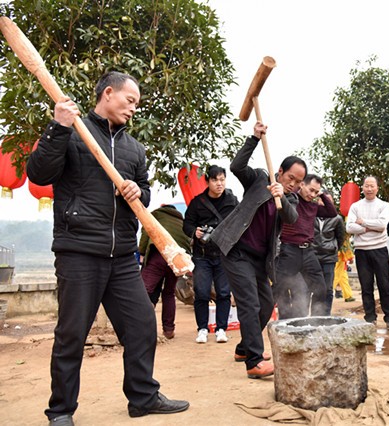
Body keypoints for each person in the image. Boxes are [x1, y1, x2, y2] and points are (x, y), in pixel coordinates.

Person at [27, 71, 189, 425]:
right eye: (130, 101)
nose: (133, 109)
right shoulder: (71, 133)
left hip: (122, 257)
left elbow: (145, 194)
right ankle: (61, 411)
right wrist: (57, 127)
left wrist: (136, 191)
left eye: (137, 105)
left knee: (143, 326)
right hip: (79, 251)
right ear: (109, 94)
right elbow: (38, 174)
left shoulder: (135, 149)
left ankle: (143, 397)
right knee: (71, 334)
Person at [211, 122, 303, 379]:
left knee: (265, 303)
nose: (294, 184)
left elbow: (292, 217)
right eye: (290, 178)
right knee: (249, 303)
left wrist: (281, 195)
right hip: (235, 249)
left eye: (298, 181)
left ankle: (243, 348)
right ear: (280, 171)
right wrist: (253, 138)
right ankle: (253, 361)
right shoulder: (260, 179)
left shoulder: (290, 199)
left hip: (259, 259)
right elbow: (236, 166)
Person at [183, 165, 238, 344]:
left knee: (223, 292)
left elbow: (240, 222)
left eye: (222, 179)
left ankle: (221, 328)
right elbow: (187, 225)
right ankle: (202, 329)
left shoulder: (232, 200)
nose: (219, 184)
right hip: (202, 254)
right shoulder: (197, 202)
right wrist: (195, 232)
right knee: (202, 292)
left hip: (224, 253)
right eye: (215, 180)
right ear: (207, 181)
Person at [274, 174, 337, 319]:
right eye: (311, 190)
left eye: (316, 192)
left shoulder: (314, 206)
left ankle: (316, 319)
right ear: (302, 184)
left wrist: (322, 196)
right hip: (289, 250)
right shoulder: (290, 200)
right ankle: (283, 320)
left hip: (308, 251)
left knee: (322, 288)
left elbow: (332, 212)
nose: (312, 194)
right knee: (280, 288)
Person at [346, 176, 389, 330]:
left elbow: (382, 225)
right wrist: (367, 228)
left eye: (372, 186)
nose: (369, 189)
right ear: (362, 187)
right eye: (366, 186)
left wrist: (362, 223)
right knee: (366, 286)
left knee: (385, 285)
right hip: (361, 251)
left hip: (379, 249)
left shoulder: (384, 205)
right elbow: (349, 228)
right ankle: (370, 318)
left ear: (377, 188)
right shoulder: (355, 206)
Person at [139, 204, 191, 339]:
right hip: (176, 260)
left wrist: (142, 251)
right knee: (168, 293)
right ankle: (169, 330)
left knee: (143, 291)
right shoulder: (181, 221)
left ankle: (141, 328)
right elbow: (188, 241)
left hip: (158, 256)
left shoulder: (156, 214)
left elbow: (146, 230)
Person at [312, 190, 345, 315]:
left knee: (328, 288)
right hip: (312, 256)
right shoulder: (311, 215)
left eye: (328, 200)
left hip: (329, 258)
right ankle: (314, 315)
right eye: (322, 199)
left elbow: (340, 237)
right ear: (318, 201)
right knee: (315, 288)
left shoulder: (337, 219)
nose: (324, 202)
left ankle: (325, 315)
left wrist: (333, 247)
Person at [334, 234, 356, 302]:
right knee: (337, 275)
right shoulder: (344, 231)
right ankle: (326, 294)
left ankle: (348, 295)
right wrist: (350, 256)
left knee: (343, 276)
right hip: (340, 254)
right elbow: (345, 243)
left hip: (338, 253)